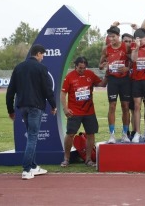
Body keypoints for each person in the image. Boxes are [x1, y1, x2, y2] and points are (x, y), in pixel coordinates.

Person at [6, 44, 57, 180]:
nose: (43, 58)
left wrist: (10, 110)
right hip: (36, 106)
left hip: (22, 106)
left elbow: (10, 91)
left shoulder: (18, 67)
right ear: (38, 53)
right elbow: (48, 89)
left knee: (31, 136)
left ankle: (33, 166)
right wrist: (53, 105)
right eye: (43, 55)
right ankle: (26, 169)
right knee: (33, 137)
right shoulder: (41, 68)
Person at [60, 57, 106, 167]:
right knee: (70, 134)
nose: (82, 70)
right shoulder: (69, 77)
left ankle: (88, 159)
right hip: (74, 112)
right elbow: (62, 94)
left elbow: (101, 85)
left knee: (91, 134)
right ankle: (66, 159)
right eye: (80, 68)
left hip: (89, 111)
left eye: (84, 68)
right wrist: (65, 108)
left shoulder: (90, 74)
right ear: (75, 66)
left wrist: (108, 74)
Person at [99, 25, 132, 144]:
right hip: (112, 80)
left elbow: (134, 60)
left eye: (113, 36)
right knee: (112, 106)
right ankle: (112, 135)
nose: (111, 39)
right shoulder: (106, 49)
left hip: (125, 81)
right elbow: (101, 63)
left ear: (118, 36)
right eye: (109, 36)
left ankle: (125, 134)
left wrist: (127, 68)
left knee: (125, 107)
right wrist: (101, 66)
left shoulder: (126, 47)